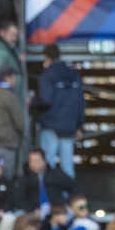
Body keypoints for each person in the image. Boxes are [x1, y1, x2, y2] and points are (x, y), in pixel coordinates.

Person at [34, 45, 84, 178]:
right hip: (68, 126)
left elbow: (45, 100)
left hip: (51, 124)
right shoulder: (74, 75)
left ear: (46, 56)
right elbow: (80, 102)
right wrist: (79, 125)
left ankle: (47, 196)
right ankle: (70, 197)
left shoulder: (47, 76)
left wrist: (32, 101)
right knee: (67, 165)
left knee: (47, 162)